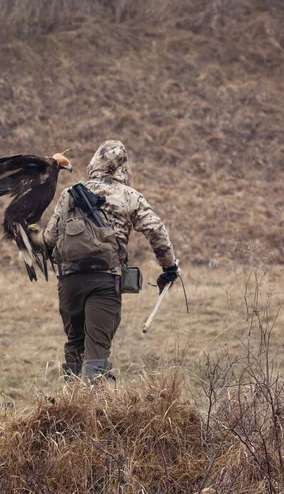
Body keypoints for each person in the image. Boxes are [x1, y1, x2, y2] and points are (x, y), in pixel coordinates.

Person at [32, 140, 178, 382]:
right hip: (105, 282)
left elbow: (48, 239)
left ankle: (71, 406)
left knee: (75, 346)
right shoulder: (129, 196)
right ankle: (93, 411)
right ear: (121, 167)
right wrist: (169, 268)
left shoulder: (70, 194)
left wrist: (29, 233)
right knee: (97, 352)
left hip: (69, 283)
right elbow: (156, 230)